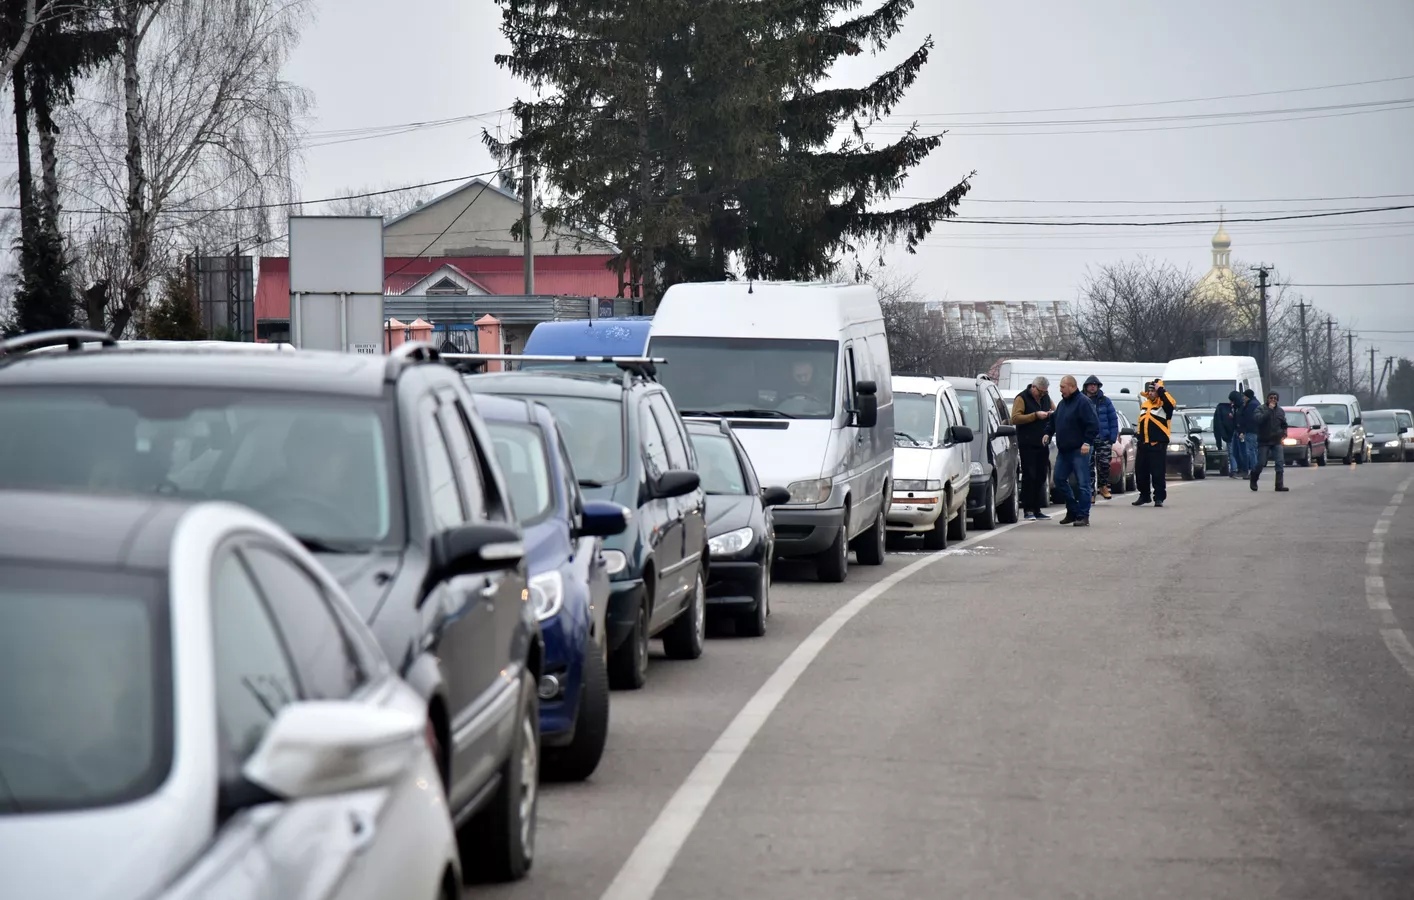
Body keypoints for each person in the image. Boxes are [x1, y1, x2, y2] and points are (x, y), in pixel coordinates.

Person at [1043, 375, 1099, 527]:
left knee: (1083, 483)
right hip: (1064, 450)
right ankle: (1072, 509)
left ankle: (1083, 515)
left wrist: (1087, 442)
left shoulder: (1083, 403)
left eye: (1063, 387)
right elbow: (1054, 420)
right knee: (1059, 479)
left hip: (1079, 450)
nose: (1060, 390)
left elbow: (1093, 424)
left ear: (1072, 387)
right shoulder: (1063, 404)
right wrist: (1048, 432)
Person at [1010, 376, 1054, 521]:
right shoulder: (1021, 398)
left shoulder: (1046, 397)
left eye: (1044, 392)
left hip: (1042, 443)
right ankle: (1028, 508)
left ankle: (1037, 508)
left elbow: (1056, 410)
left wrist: (1052, 415)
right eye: (1040, 392)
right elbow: (1015, 418)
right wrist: (1035, 415)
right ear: (1033, 388)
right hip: (1027, 443)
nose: (1042, 395)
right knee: (1030, 475)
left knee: (1041, 475)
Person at [1132, 378, 1177, 508]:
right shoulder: (1145, 405)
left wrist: (1161, 390)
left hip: (1157, 445)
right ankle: (1144, 495)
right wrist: (1139, 437)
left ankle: (1159, 497)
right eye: (1150, 390)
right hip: (1143, 444)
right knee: (1141, 472)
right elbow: (1142, 422)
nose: (1151, 393)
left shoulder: (1165, 406)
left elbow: (1171, 402)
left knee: (1157, 473)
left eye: (1154, 390)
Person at [1083, 375, 1118, 500]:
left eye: (1095, 385)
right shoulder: (1082, 400)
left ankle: (1103, 486)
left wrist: (1112, 438)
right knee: (1088, 466)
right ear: (1086, 386)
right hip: (1088, 439)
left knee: (1104, 464)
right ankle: (1091, 492)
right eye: (1090, 385)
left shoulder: (1105, 401)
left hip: (1104, 438)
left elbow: (1113, 420)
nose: (1093, 387)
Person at [1251, 391, 1291, 492]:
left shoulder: (1280, 411)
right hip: (1264, 440)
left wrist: (1284, 433)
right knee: (1261, 462)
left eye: (1275, 398)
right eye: (1271, 398)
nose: (1273, 400)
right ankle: (1254, 478)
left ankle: (1279, 485)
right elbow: (1258, 420)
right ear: (1267, 399)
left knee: (1279, 462)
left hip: (1276, 440)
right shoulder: (1260, 409)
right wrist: (1269, 410)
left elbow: (1284, 424)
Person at [1236, 388, 1261, 476]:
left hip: (1251, 431)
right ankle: (1255, 470)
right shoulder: (1255, 403)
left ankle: (1254, 471)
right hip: (1254, 431)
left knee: (1251, 451)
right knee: (1253, 450)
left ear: (1248, 397)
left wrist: (1242, 431)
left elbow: (1248, 419)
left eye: (1244, 396)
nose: (1243, 398)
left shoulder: (1251, 405)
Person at [1214, 394, 1238, 478]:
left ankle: (1235, 469)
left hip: (1232, 434)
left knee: (1232, 452)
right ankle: (1236, 469)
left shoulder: (1224, 409)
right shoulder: (1233, 408)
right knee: (1234, 452)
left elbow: (1218, 425)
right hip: (1235, 434)